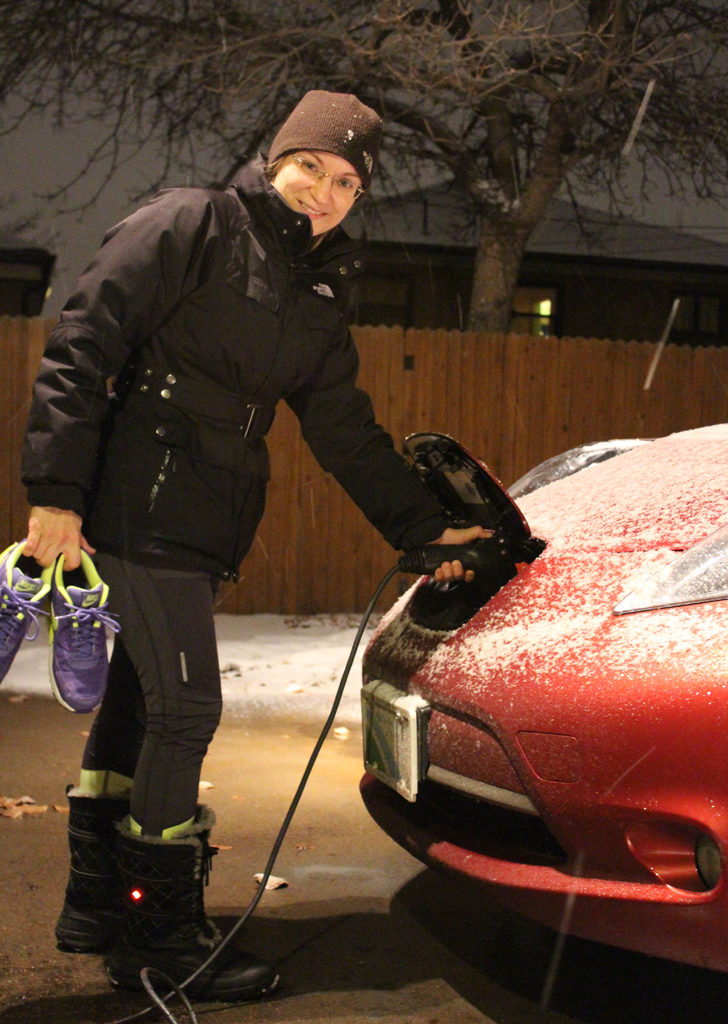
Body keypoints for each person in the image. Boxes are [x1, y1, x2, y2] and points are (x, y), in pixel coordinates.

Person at [20, 90, 487, 1001]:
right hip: (130, 505)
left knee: (142, 697)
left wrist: (422, 526)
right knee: (188, 710)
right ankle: (161, 933)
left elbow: (343, 425)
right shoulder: (193, 223)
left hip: (200, 517)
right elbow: (82, 340)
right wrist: (55, 495)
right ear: (276, 158)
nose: (325, 190)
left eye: (348, 179)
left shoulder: (314, 286)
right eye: (311, 165)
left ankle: (98, 901)